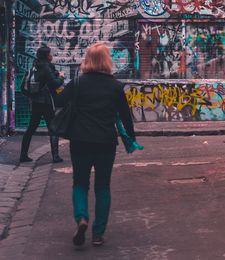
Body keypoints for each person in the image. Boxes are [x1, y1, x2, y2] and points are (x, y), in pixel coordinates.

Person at [54, 42, 136, 247]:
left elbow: (60, 102)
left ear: (87, 60)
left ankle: (82, 218)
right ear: (107, 61)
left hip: (80, 140)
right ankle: (98, 234)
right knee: (102, 186)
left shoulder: (78, 83)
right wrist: (131, 139)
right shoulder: (115, 86)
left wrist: (60, 83)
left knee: (80, 183)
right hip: (105, 142)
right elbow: (126, 117)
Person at [19, 45, 64, 163]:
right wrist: (61, 78)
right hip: (46, 102)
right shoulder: (46, 67)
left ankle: (23, 155)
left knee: (31, 128)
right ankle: (55, 156)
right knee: (53, 128)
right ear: (46, 56)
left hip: (35, 102)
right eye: (50, 53)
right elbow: (55, 84)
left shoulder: (35, 65)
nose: (51, 55)